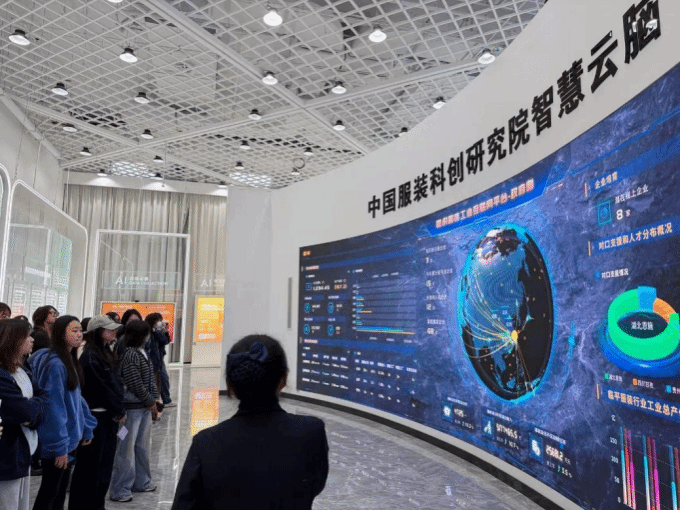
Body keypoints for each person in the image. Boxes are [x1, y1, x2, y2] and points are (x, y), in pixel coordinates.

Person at [172, 335, 329, 510]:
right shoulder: (311, 432)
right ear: (284, 379)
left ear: (230, 386)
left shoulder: (206, 443)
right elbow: (314, 485)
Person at [30, 315, 97, 510]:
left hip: (69, 439)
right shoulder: (55, 364)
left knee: (58, 493)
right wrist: (59, 446)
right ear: (60, 333)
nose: (79, 335)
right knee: (50, 492)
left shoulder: (68, 359)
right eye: (73, 331)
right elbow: (53, 407)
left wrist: (86, 427)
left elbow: (77, 399)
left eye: (80, 330)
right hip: (59, 442)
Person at [69, 315, 125, 510]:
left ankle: (97, 505)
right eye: (109, 328)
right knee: (90, 468)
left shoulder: (105, 353)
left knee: (104, 467)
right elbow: (103, 388)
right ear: (98, 331)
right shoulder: (90, 356)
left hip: (108, 417)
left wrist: (119, 409)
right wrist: (119, 409)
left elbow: (114, 384)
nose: (114, 331)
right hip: (96, 418)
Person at [0, 319, 48, 510]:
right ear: (13, 340)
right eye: (26, 336)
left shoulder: (23, 368)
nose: (32, 339)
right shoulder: (2, 374)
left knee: (20, 503)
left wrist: (32, 411)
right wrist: (32, 410)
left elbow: (43, 397)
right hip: (8, 452)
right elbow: (21, 411)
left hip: (24, 447)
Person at [109, 320, 158, 503]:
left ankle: (142, 482)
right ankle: (120, 489)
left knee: (142, 447)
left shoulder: (141, 351)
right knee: (126, 449)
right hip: (131, 411)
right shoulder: (130, 354)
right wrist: (150, 400)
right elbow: (134, 382)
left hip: (143, 408)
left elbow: (149, 379)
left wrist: (153, 399)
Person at [145, 313, 173, 407]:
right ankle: (156, 401)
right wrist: (157, 331)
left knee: (163, 380)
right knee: (157, 381)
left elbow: (165, 341)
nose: (160, 323)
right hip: (152, 360)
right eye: (158, 321)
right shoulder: (149, 332)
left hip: (159, 359)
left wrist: (165, 332)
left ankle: (165, 400)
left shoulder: (157, 332)